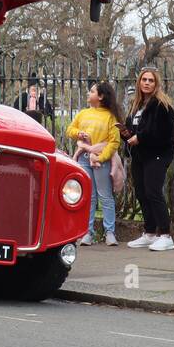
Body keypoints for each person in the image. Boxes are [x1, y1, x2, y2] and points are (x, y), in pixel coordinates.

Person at [123, 66, 174, 251]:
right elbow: (134, 130)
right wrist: (126, 134)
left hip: (158, 153)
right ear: (139, 82)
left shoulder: (162, 105)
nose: (147, 83)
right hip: (140, 154)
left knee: (153, 191)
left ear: (156, 84)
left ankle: (165, 235)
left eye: (151, 80)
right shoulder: (136, 105)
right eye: (144, 80)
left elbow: (164, 132)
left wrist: (140, 137)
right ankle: (149, 233)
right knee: (141, 192)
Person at [67, 80, 123, 246]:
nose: (88, 94)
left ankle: (110, 232)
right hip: (84, 158)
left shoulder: (110, 117)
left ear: (100, 96)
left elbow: (114, 142)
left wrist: (100, 157)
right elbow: (70, 130)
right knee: (88, 197)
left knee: (105, 196)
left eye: (91, 91)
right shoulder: (83, 113)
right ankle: (87, 233)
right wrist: (79, 133)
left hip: (101, 160)